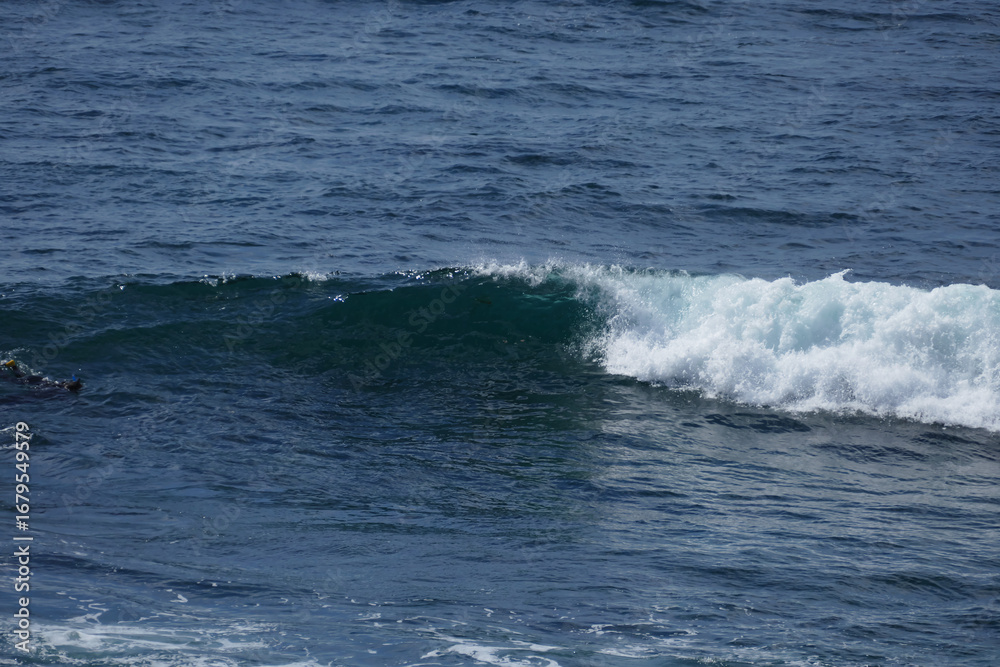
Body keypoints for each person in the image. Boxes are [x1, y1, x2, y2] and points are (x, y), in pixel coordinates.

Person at [2, 359, 82, 392]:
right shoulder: (58, 391)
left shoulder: (60, 383)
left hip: (39, 379)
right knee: (13, 380)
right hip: (35, 382)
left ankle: (13, 366)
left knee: (22, 376)